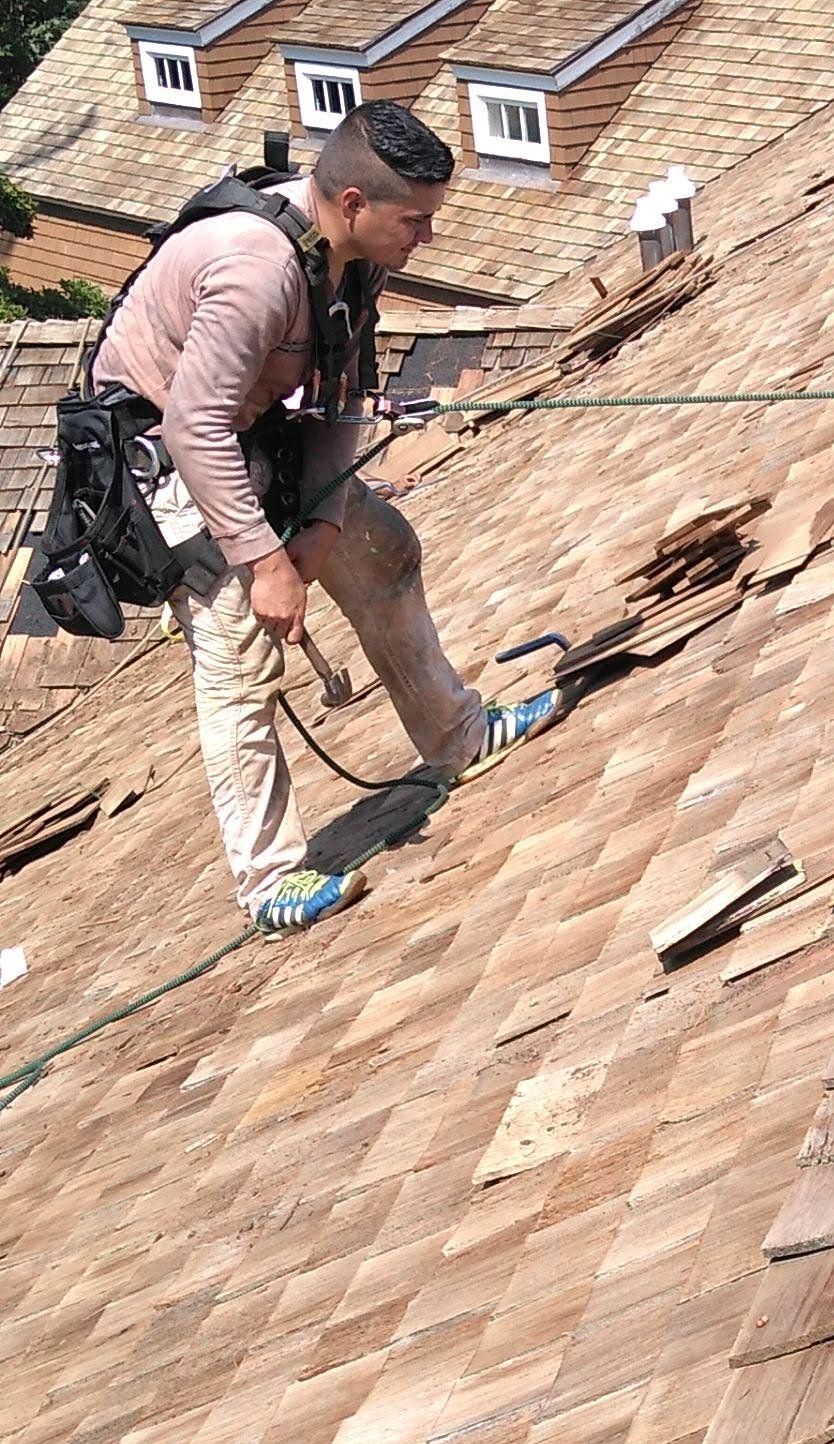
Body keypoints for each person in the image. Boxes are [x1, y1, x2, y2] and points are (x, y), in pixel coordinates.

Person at [89, 100, 567, 934]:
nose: (426, 239)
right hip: (170, 451)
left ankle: (458, 737)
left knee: (384, 551)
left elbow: (343, 394)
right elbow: (192, 426)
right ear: (353, 204)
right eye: (414, 221)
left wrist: (327, 523)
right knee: (243, 648)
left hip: (253, 428)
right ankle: (270, 882)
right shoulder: (256, 270)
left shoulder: (354, 259)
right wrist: (267, 562)